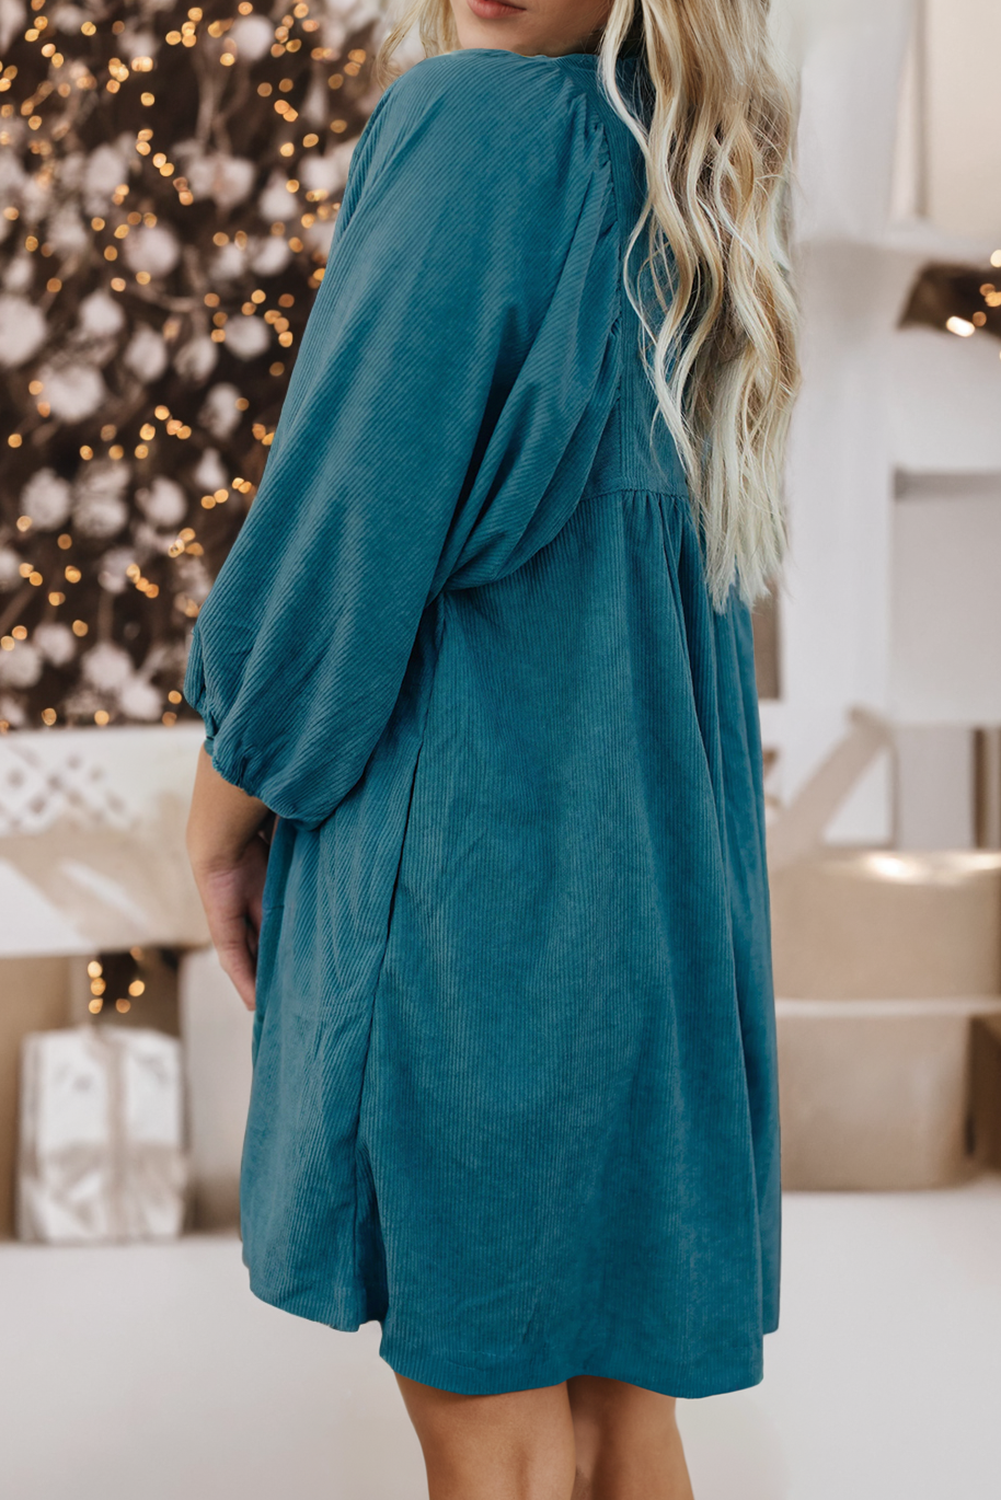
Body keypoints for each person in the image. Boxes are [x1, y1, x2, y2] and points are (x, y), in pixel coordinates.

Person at [183, 0, 800, 1494]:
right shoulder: (698, 176)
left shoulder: (469, 126)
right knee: (620, 1425)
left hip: (477, 886)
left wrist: (221, 808)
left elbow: (350, 513)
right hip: (664, 894)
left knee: (497, 1436)